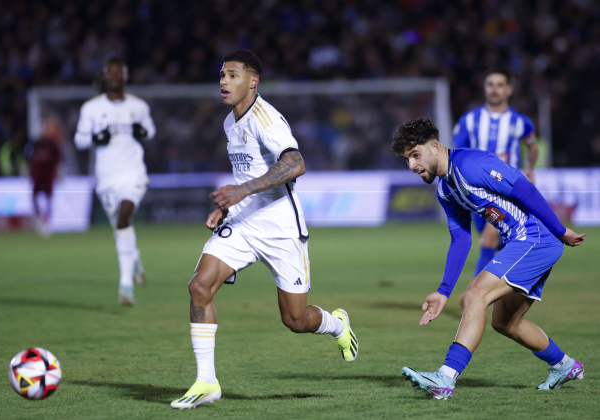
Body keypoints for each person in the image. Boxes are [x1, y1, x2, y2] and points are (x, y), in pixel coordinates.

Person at [170, 50, 358, 410]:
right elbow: (246, 175)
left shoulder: (266, 118)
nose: (224, 81)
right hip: (242, 223)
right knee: (200, 286)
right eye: (222, 75)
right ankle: (206, 382)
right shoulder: (230, 123)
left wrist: (242, 191)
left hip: (280, 227)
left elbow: (295, 163)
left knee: (295, 319)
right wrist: (227, 206)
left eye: (233, 75)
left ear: (252, 81)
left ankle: (336, 325)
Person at [391, 117, 585, 400]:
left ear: (434, 146)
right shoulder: (446, 189)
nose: (412, 166)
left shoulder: (472, 164)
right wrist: (443, 292)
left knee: (474, 295)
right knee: (505, 322)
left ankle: (445, 377)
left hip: (535, 238)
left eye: (415, 155)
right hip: (522, 243)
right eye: (407, 159)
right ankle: (564, 365)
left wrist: (559, 230)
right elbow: (461, 239)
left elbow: (524, 188)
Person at [74, 58, 155, 306]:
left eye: (118, 72)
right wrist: (96, 138)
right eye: (110, 72)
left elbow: (150, 131)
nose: (114, 76)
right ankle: (135, 258)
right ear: (105, 77)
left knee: (124, 219)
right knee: (121, 228)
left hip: (133, 174)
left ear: (125, 77)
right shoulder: (91, 108)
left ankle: (125, 287)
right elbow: (79, 140)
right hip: (107, 179)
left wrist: (143, 131)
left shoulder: (138, 106)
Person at [453, 68, 539, 279]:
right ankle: (508, 305)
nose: (494, 89)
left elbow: (533, 146)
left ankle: (472, 299)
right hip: (477, 192)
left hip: (507, 190)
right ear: (484, 89)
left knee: (488, 240)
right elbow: (457, 153)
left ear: (508, 90)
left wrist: (530, 168)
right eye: (490, 84)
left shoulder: (520, 122)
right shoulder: (470, 120)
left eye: (500, 85)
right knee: (501, 247)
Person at [29, 118, 62, 237]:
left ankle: (47, 221)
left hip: (48, 176)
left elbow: (58, 160)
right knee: (35, 198)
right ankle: (38, 218)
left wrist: (59, 173)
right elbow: (30, 159)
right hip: (37, 176)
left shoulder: (53, 145)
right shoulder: (36, 143)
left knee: (48, 199)